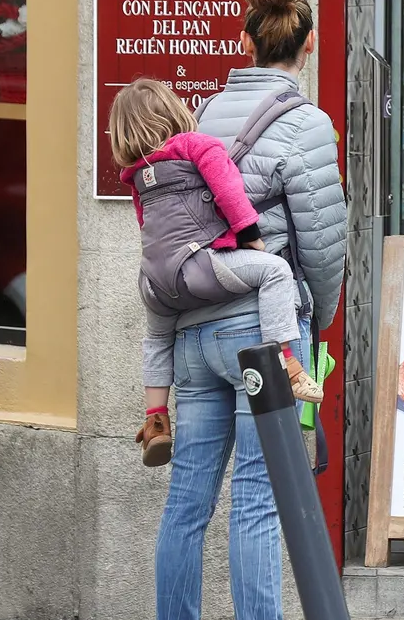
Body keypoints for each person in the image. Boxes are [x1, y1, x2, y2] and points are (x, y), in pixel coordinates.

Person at [154, 0, 347, 620]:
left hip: (193, 326)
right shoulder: (308, 125)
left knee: (186, 501)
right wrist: (312, 320)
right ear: (311, 42)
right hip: (262, 334)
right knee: (259, 499)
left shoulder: (204, 112)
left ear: (242, 40)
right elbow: (324, 246)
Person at [111, 78, 324, 466]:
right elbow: (229, 192)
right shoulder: (198, 145)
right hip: (202, 267)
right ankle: (287, 363)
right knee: (275, 272)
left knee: (157, 339)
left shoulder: (136, 177)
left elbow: (147, 228)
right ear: (173, 111)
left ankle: (156, 419)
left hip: (156, 282)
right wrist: (250, 237)